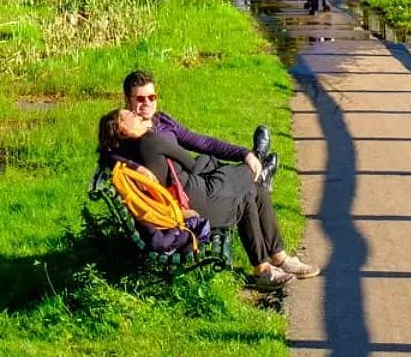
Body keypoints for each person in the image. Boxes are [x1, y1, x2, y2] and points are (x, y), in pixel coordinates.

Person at [110, 71, 319, 286]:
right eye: (140, 99)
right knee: (252, 181)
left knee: (252, 190)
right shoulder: (130, 137)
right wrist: (135, 166)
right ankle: (260, 165)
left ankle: (270, 265)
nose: (147, 104)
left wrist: (243, 154)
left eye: (151, 97)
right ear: (127, 100)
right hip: (187, 205)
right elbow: (108, 155)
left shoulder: (162, 121)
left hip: (195, 184)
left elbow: (203, 142)